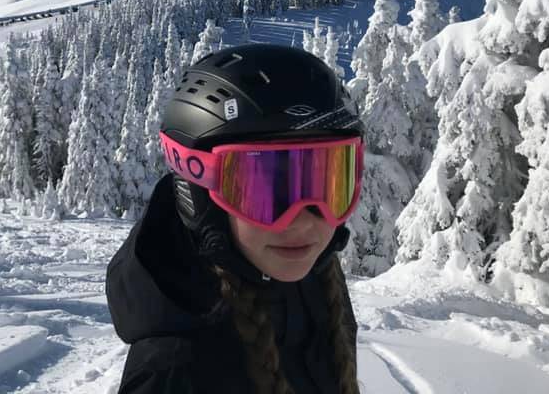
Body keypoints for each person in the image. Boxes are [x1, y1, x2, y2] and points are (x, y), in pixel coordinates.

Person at [107, 44, 363, 394]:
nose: (304, 221)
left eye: (330, 182)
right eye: (266, 191)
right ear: (198, 194)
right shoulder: (170, 372)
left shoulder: (319, 284)